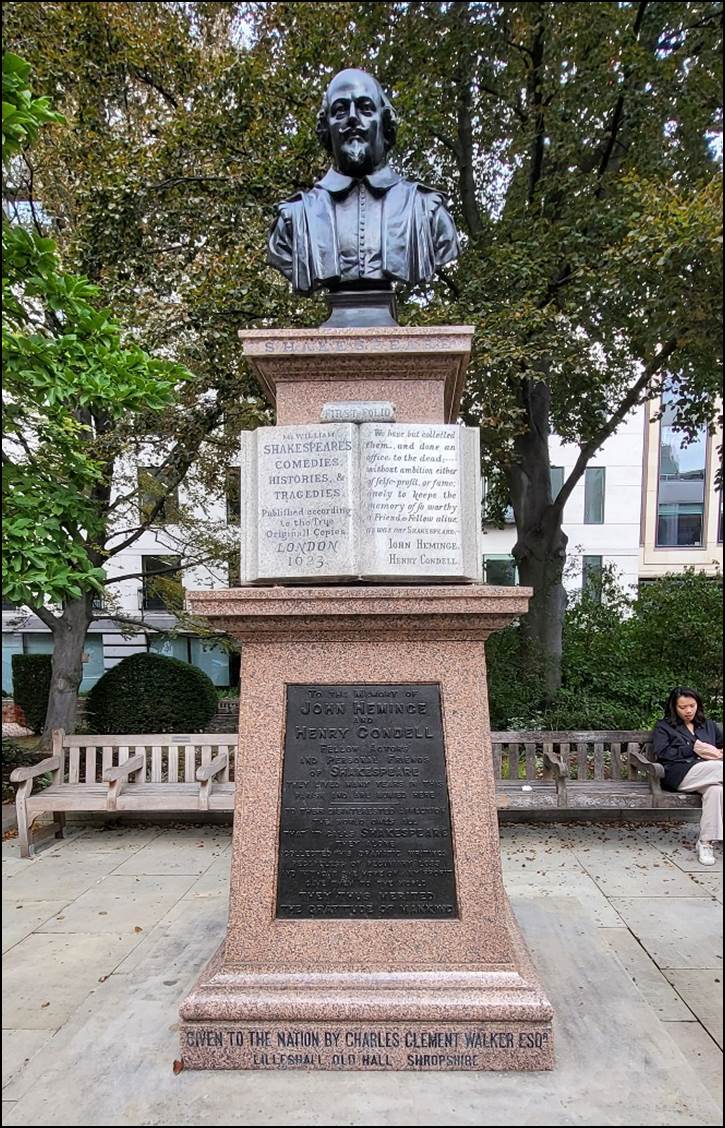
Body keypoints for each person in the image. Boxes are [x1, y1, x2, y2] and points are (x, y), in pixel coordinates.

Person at [267, 68, 459, 297]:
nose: (352, 118)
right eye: (339, 110)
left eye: (365, 108)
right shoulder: (295, 218)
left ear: (385, 123)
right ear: (326, 128)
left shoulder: (426, 211)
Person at [652, 687, 723, 865]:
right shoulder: (664, 726)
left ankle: (705, 842)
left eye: (692, 705)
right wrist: (692, 749)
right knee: (717, 768)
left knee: (715, 791)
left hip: (712, 774)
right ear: (674, 707)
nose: (688, 710)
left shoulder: (708, 725)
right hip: (680, 774)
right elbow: (662, 753)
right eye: (683, 707)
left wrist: (715, 752)